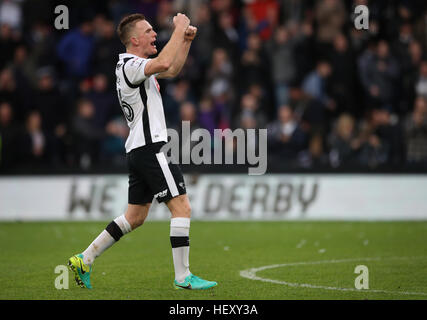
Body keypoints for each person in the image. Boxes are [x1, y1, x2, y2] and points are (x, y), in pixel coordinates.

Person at [68, 13, 217, 290]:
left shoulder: (131, 66)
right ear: (134, 40)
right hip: (152, 147)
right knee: (182, 207)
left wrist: (184, 42)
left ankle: (84, 258)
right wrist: (179, 27)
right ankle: (183, 277)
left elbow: (170, 70)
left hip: (138, 150)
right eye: (148, 31)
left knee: (134, 217)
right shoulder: (132, 65)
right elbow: (163, 62)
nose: (154, 35)